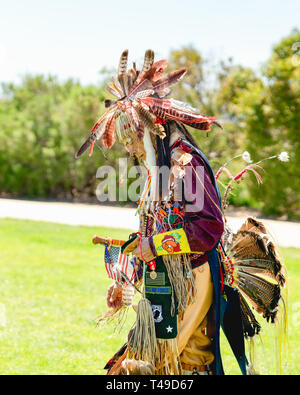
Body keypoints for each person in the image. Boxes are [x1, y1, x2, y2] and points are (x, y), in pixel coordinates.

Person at [76, 49, 287, 376]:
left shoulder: (186, 164)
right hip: (167, 289)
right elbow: (148, 237)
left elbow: (207, 230)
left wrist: (157, 246)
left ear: (149, 126)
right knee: (134, 370)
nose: (129, 147)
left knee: (172, 369)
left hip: (193, 284)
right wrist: (125, 282)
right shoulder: (158, 169)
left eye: (131, 137)